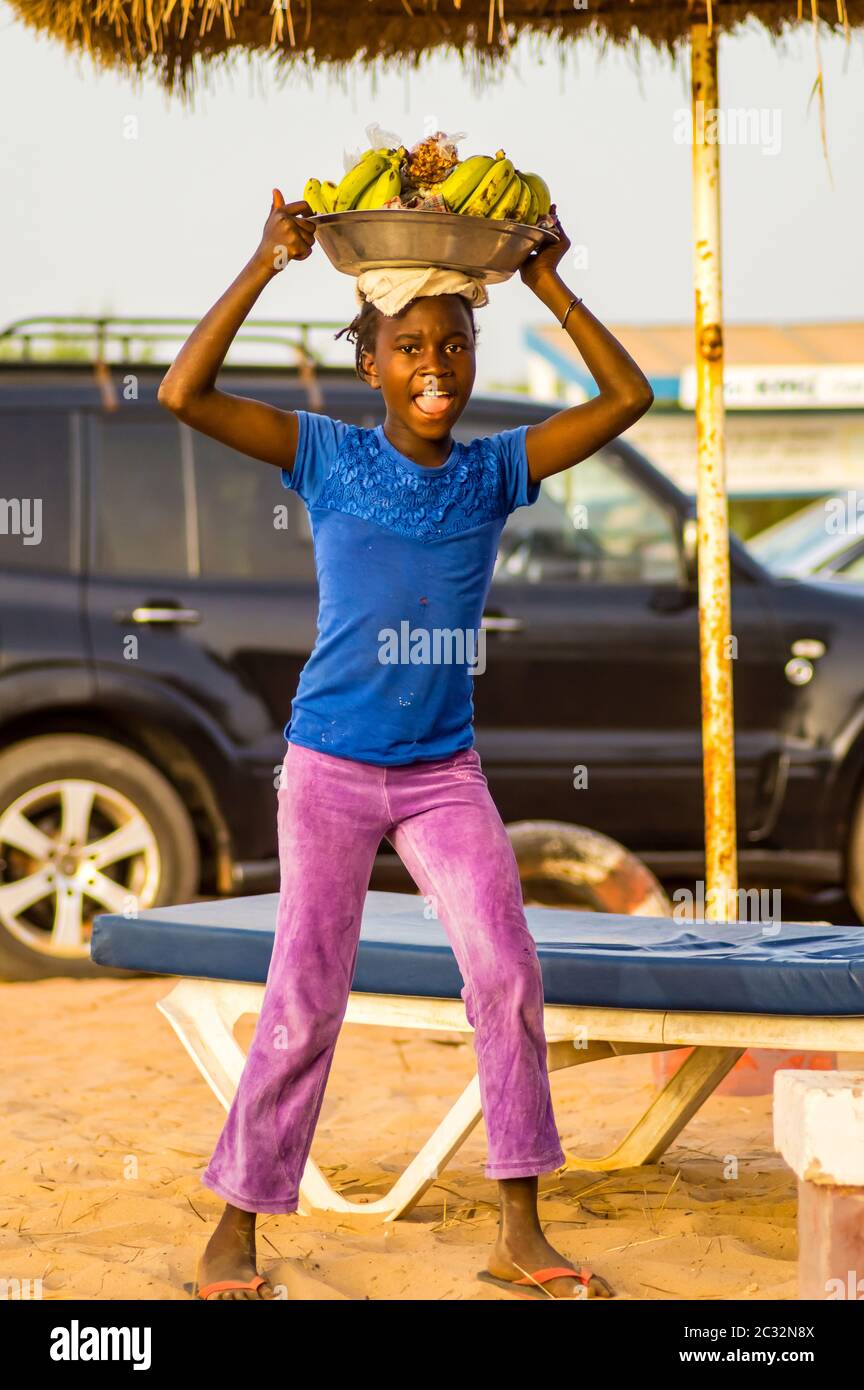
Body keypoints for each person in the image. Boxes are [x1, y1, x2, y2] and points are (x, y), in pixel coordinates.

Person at [158, 187, 654, 1301]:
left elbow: (629, 396)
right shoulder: (325, 456)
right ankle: (235, 1228)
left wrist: (548, 283)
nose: (436, 364)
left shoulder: (495, 472)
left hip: (443, 776)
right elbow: (185, 392)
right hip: (330, 768)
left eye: (455, 345)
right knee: (304, 998)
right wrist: (266, 261)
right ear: (371, 364)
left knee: (507, 974)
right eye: (411, 347)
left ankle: (518, 1232)